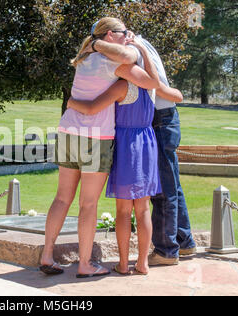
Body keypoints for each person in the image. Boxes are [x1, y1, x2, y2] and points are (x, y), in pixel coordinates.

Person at [39, 17, 164, 278]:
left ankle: (47, 255)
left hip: (67, 130)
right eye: (123, 32)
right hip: (96, 137)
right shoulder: (116, 62)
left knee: (62, 198)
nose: (127, 35)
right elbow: (153, 83)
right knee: (88, 204)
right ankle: (85, 264)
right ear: (110, 35)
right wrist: (139, 49)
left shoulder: (84, 57)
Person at [80, 20, 197, 266]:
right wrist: (171, 93)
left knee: (161, 192)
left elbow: (152, 83)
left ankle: (166, 250)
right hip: (155, 122)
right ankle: (183, 242)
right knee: (170, 184)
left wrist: (94, 45)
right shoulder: (140, 46)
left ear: (110, 36)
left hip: (152, 124)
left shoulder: (132, 48)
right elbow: (163, 88)